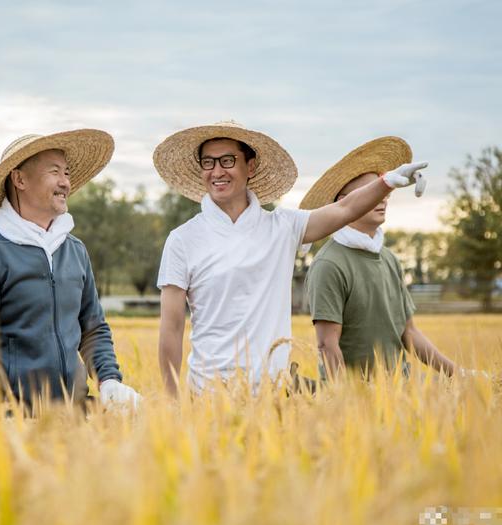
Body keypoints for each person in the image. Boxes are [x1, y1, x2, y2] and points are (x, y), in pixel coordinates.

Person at [154, 122, 427, 397]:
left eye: (227, 160)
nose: (217, 171)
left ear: (250, 166)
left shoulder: (283, 227)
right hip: (208, 395)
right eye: (208, 162)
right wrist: (172, 399)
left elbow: (345, 209)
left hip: (274, 395)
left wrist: (386, 183)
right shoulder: (183, 240)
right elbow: (172, 327)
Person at [0, 130, 141, 415]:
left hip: (75, 415)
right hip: (12, 421)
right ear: (20, 179)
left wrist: (109, 380)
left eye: (66, 172)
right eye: (55, 172)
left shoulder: (74, 250)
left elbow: (93, 328)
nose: (66, 182)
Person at [301, 136, 482, 380]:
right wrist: (342, 402)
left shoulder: (389, 259)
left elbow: (409, 333)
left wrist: (461, 375)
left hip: (399, 392)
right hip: (354, 397)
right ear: (346, 202)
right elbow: (327, 345)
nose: (383, 197)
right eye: (372, 192)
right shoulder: (328, 265)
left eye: (384, 191)